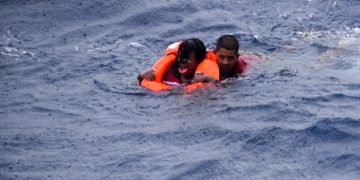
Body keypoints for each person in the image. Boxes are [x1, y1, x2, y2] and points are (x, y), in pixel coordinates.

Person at [137, 38, 212, 91]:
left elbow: (220, 89)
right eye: (181, 56)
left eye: (187, 58)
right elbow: (134, 85)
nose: (182, 61)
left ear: (198, 61)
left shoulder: (205, 79)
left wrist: (209, 79)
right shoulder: (168, 75)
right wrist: (141, 76)